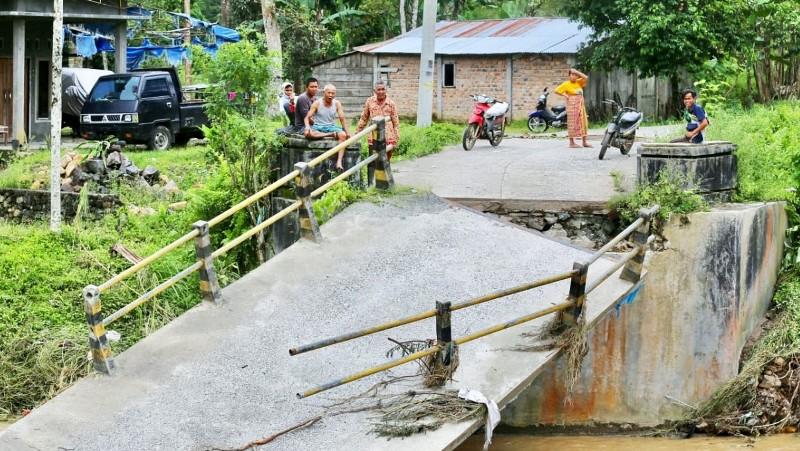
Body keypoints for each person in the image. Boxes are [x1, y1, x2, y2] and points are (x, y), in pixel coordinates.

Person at [304, 84, 350, 170]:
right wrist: (307, 127)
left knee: (343, 135)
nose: (330, 95)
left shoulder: (337, 103)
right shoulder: (317, 103)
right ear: (324, 93)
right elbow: (307, 117)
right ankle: (330, 134)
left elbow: (342, 119)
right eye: (329, 93)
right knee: (307, 133)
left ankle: (339, 162)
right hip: (318, 127)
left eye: (333, 93)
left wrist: (347, 132)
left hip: (331, 126)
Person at [356, 80, 400, 160]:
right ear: (374, 91)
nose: (381, 92)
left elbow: (396, 122)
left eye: (383, 89)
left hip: (388, 136)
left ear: (386, 90)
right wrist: (357, 133)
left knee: (385, 160)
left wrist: (396, 138)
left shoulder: (391, 103)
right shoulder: (370, 101)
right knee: (373, 159)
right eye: (379, 89)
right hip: (373, 135)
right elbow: (364, 118)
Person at [554, 68, 591, 148]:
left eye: (576, 75)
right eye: (572, 74)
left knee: (583, 122)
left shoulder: (579, 82)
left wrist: (577, 71)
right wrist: (565, 95)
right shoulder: (566, 84)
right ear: (569, 76)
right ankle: (571, 143)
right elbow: (556, 90)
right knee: (572, 123)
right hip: (572, 107)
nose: (574, 76)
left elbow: (586, 77)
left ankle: (584, 142)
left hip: (581, 106)